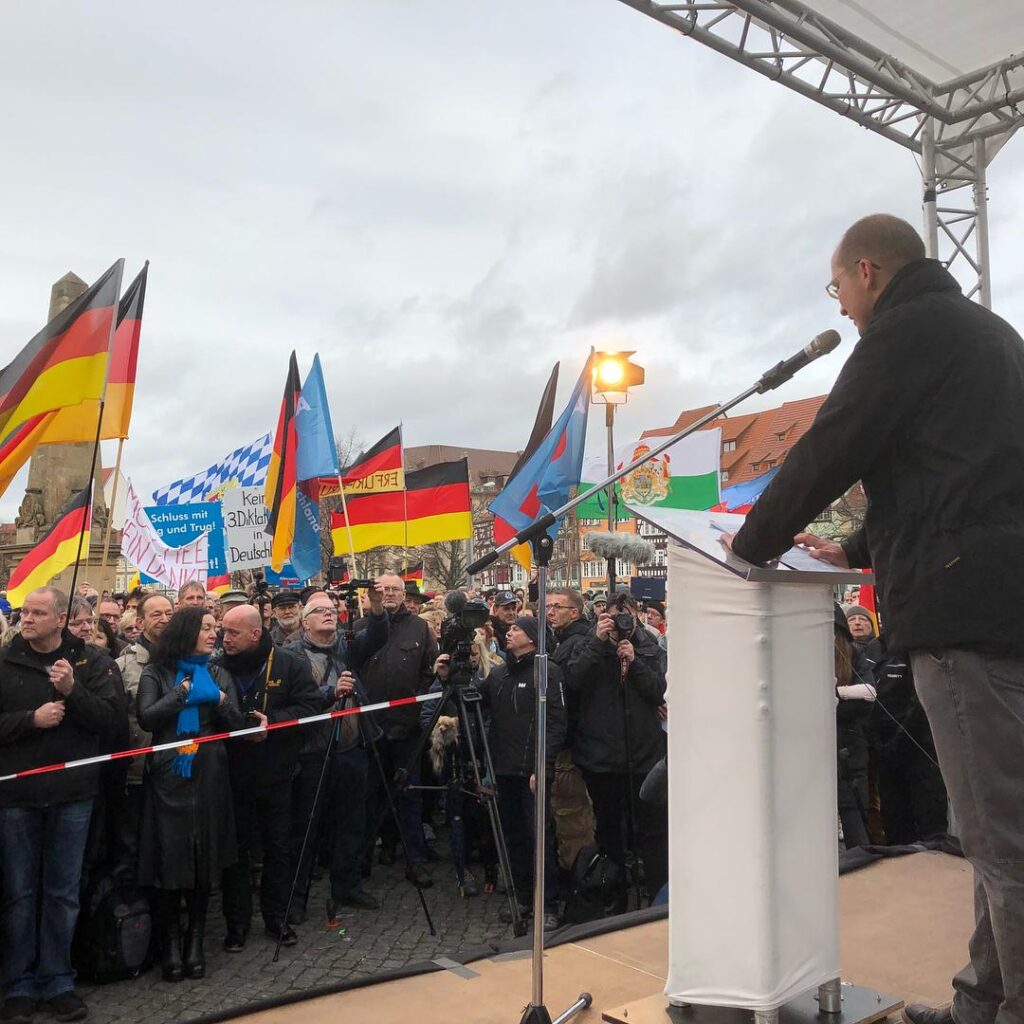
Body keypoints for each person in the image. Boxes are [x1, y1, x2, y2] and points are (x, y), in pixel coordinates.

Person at [724, 213, 1024, 1024]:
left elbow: (835, 445)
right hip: (1005, 598)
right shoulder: (995, 336)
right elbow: (950, 471)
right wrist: (855, 546)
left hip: (958, 609)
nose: (844, 309)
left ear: (867, 271)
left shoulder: (901, 333)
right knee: (1004, 827)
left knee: (1003, 843)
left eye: (839, 289)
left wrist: (750, 545)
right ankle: (979, 1005)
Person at [0, 587, 123, 1023]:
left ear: (59, 619)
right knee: (18, 894)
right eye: (23, 612)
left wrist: (73, 691)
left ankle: (58, 980)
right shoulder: (5, 662)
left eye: (37, 613)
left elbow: (113, 723)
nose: (27, 619)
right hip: (16, 799)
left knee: (62, 893)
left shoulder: (92, 664)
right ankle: (17, 984)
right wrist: (29, 720)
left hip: (73, 797)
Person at [136, 607, 244, 982]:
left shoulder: (218, 674)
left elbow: (237, 724)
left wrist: (217, 699)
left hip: (210, 774)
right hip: (169, 774)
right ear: (186, 632)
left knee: (202, 859)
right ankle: (170, 942)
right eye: (206, 628)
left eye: (216, 628)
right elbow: (147, 717)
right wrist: (183, 693)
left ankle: (196, 940)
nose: (213, 634)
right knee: (170, 859)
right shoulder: (156, 672)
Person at [217, 604, 320, 950]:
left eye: (233, 632)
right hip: (232, 775)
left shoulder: (290, 664)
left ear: (255, 634)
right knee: (237, 852)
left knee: (278, 848)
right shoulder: (216, 668)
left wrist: (272, 723)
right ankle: (237, 923)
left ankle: (276, 915)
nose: (224, 638)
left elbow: (310, 709)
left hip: (276, 772)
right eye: (223, 631)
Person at [287, 587, 388, 920]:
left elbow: (376, 637)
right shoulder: (292, 656)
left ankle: (347, 885)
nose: (329, 612)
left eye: (331, 608)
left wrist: (375, 606)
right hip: (313, 754)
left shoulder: (347, 647)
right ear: (304, 623)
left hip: (350, 750)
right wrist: (330, 693)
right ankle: (296, 897)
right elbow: (294, 703)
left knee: (352, 822)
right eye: (319, 610)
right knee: (308, 826)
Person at [565, 590, 668, 906]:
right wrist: (597, 642)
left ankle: (655, 900)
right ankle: (613, 898)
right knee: (609, 833)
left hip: (643, 756)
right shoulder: (587, 644)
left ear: (636, 613)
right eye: (613, 616)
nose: (621, 623)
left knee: (652, 833)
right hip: (602, 758)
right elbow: (572, 682)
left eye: (627, 615)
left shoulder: (650, 648)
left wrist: (634, 662)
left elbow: (657, 691)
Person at [478, 616, 566, 929]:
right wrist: (452, 677)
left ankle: (549, 902)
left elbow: (556, 722)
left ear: (531, 637)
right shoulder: (500, 673)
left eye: (517, 629)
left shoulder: (548, 670)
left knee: (539, 837)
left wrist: (542, 765)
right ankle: (524, 897)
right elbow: (478, 699)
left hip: (531, 769)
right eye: (510, 628)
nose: (510, 632)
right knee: (514, 836)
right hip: (503, 768)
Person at [356, 573, 438, 888]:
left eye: (394, 589)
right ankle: (366, 858)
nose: (389, 594)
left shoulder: (420, 627)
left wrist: (415, 710)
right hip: (369, 728)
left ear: (404, 594)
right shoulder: (361, 628)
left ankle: (414, 859)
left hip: (407, 728)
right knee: (370, 795)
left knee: (410, 795)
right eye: (383, 589)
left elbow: (429, 672)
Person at [115, 593, 174, 876]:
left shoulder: (188, 660)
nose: (164, 619)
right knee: (133, 847)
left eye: (169, 613)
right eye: (156, 614)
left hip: (176, 770)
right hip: (138, 771)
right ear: (140, 622)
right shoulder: (123, 665)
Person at [546, 589, 597, 871]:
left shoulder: (574, 644)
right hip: (576, 741)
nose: (550, 611)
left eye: (557, 606)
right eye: (548, 606)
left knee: (571, 815)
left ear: (574, 612)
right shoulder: (564, 640)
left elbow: (568, 694)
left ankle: (579, 877)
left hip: (572, 745)